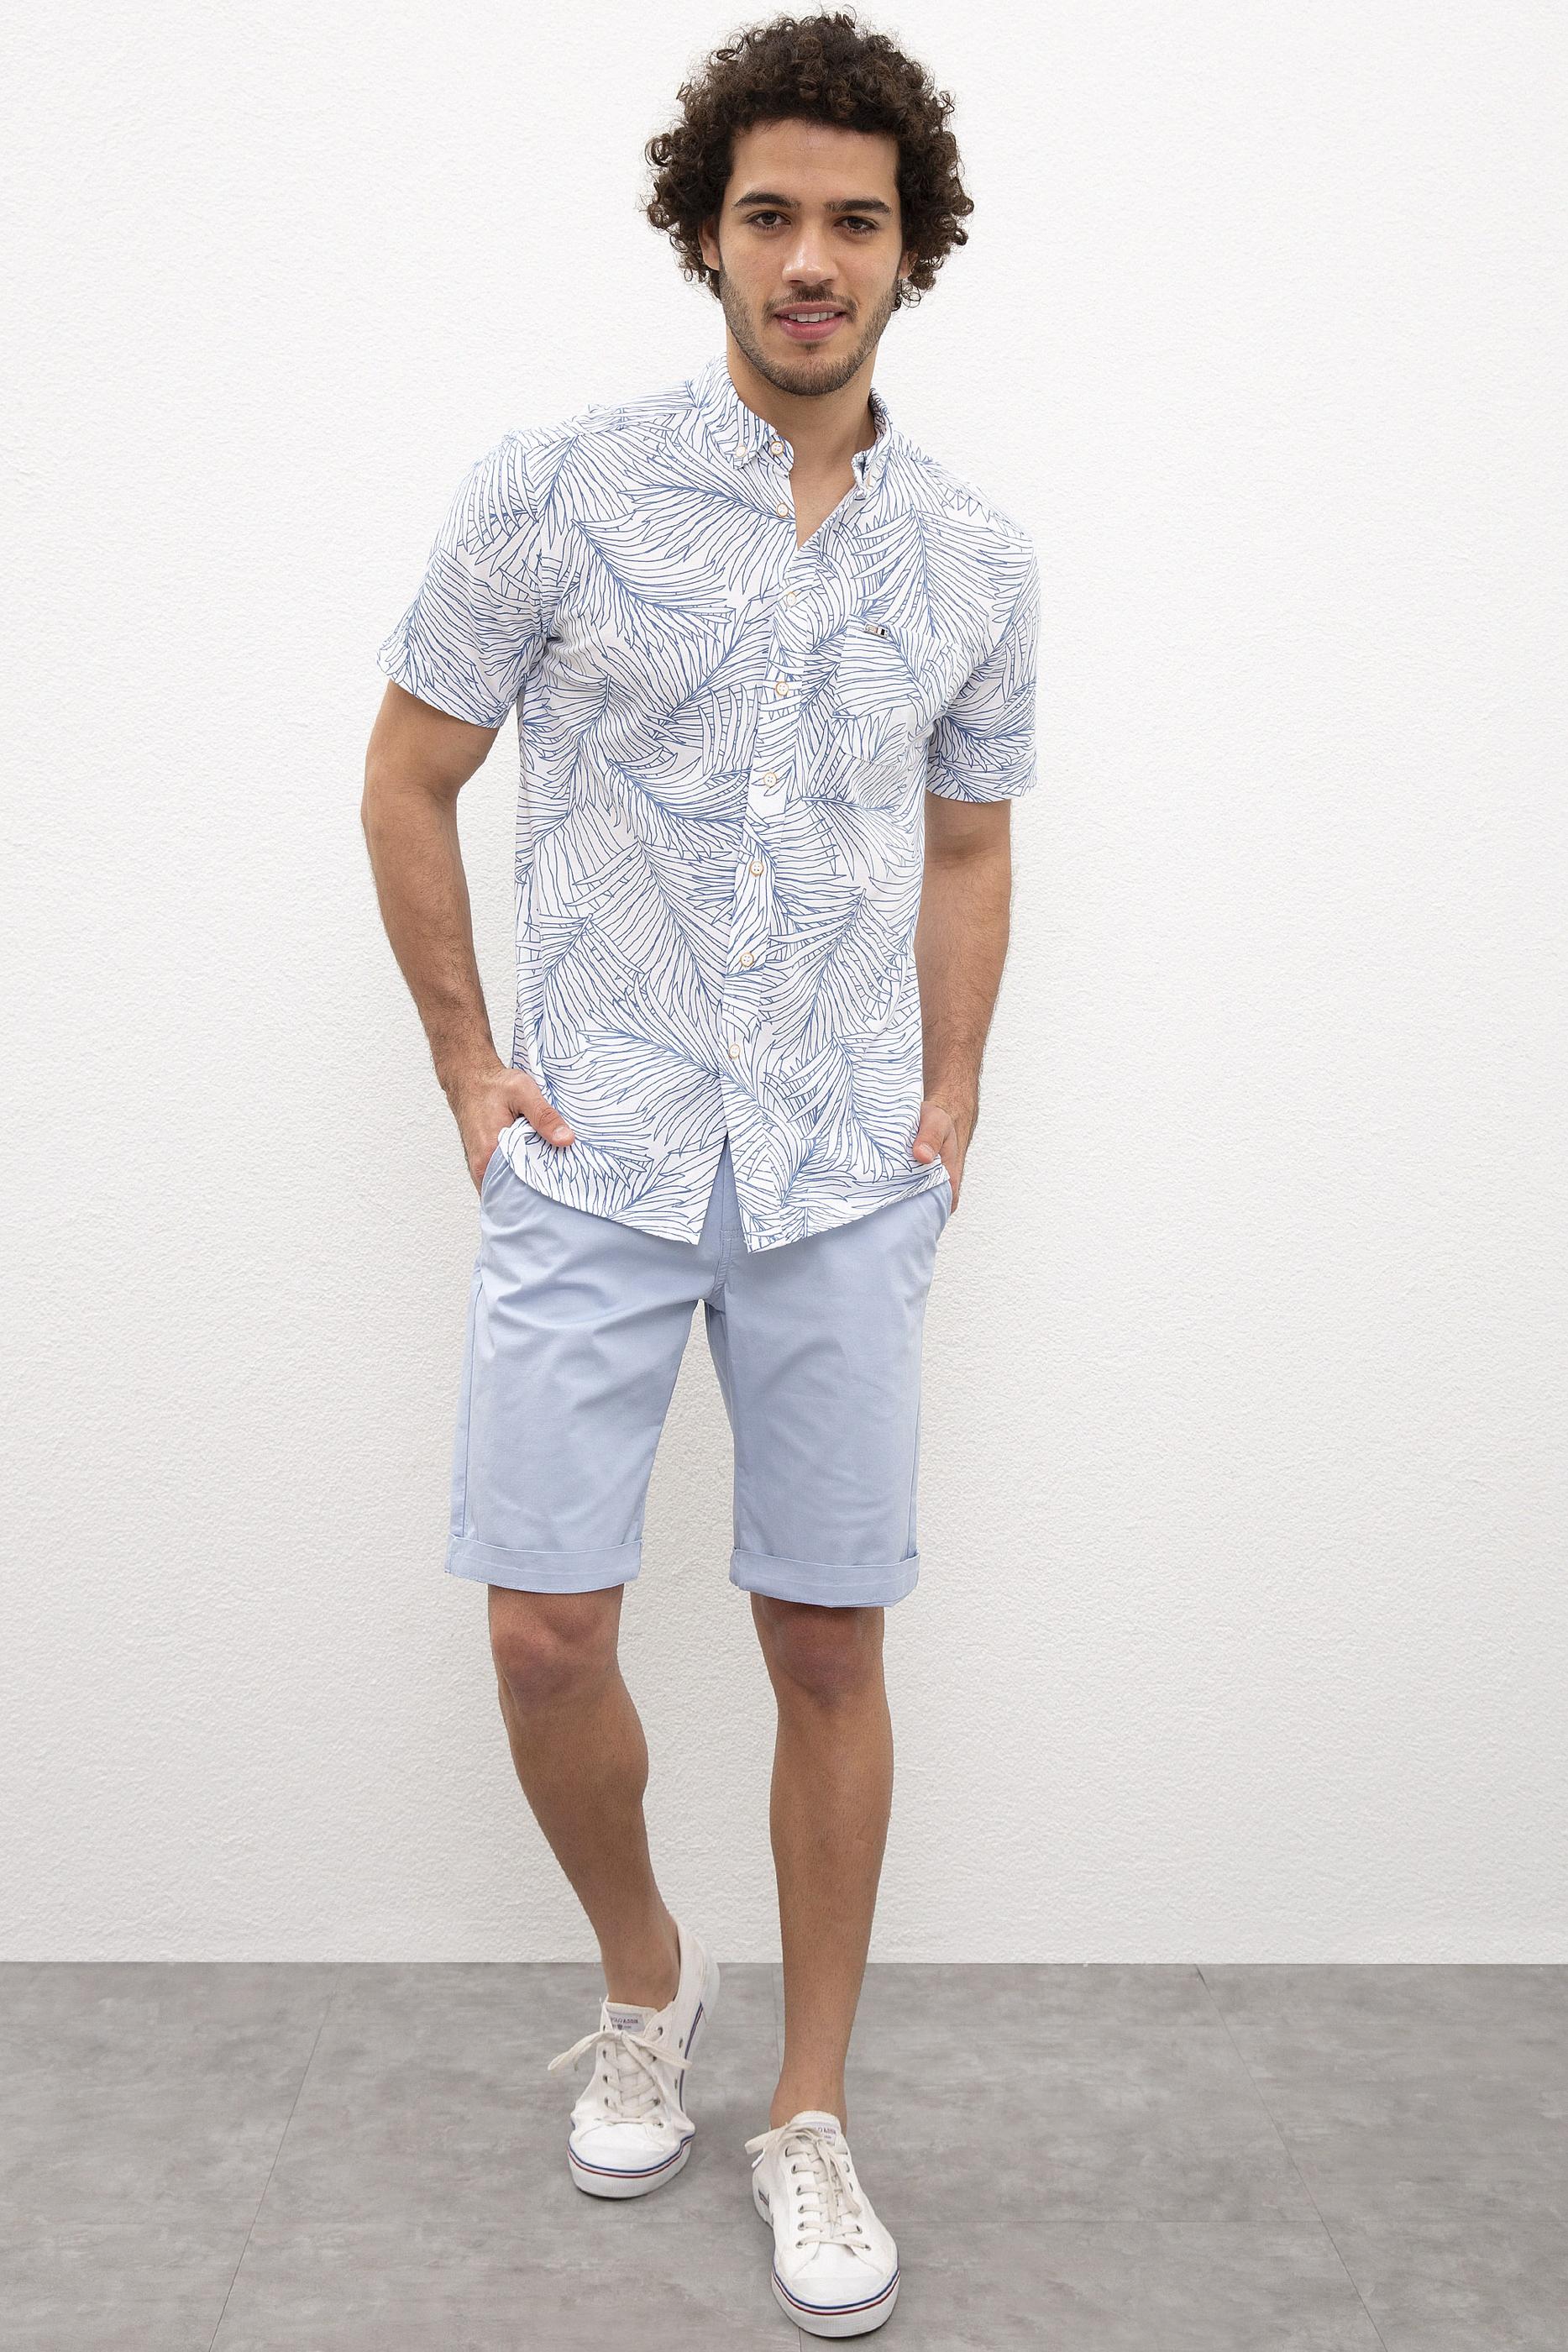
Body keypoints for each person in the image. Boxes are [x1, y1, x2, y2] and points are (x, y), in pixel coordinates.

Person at [362, 11, 1037, 2336]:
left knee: (824, 1639)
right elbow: (406, 774)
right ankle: (647, 1972)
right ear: (707, 237)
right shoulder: (554, 492)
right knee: (545, 1626)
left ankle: (810, 2109)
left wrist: (954, 1097)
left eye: (855, 220)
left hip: (843, 1173)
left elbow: (970, 845)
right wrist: (468, 1068)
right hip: (596, 1154)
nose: (811, 258)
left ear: (910, 250)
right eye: (771, 216)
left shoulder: (973, 556)